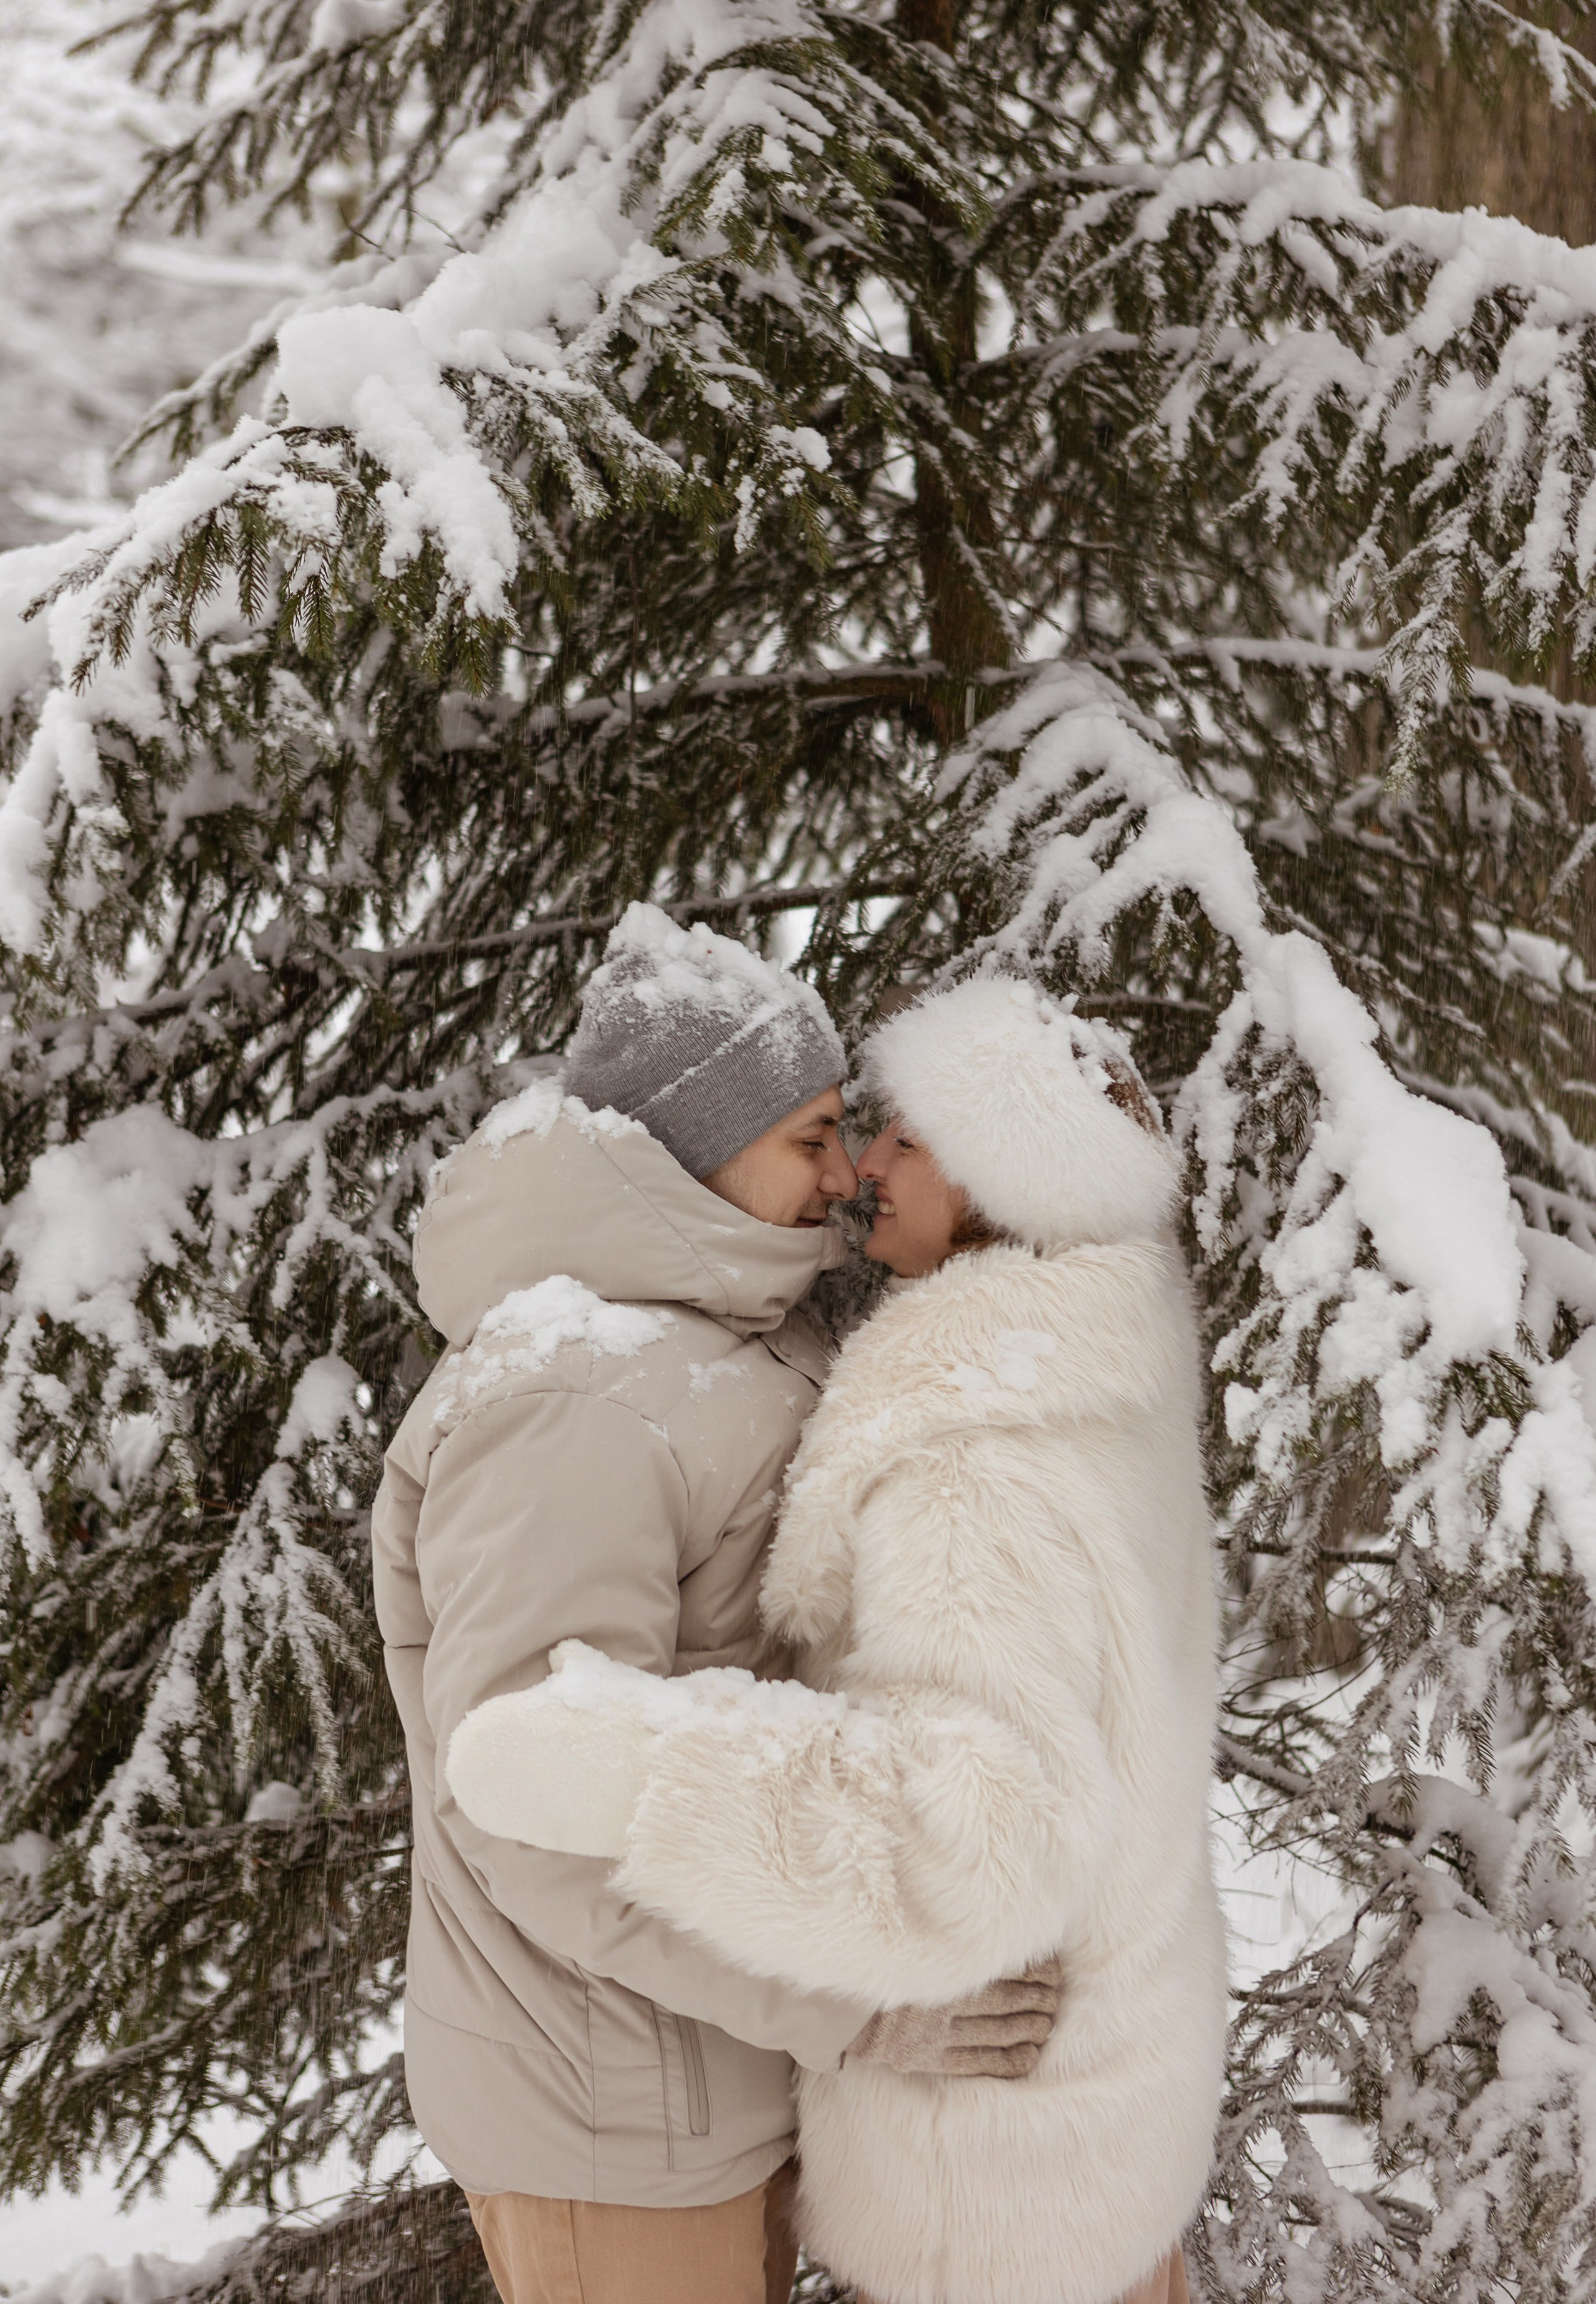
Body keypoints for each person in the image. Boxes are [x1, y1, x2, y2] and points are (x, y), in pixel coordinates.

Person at [448, 973, 1229, 2304]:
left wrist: (635, 1770)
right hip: (1083, 2114)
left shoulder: (975, 1461)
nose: (864, 1168)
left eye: (905, 1143)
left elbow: (971, 1836)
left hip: (999, 2168)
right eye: (845, 1134)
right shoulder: (1083, 1377)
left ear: (1006, 1186)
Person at [371, 912, 1057, 2304]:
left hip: (713, 2069)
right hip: (610, 2113)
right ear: (700, 1140)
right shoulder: (570, 1397)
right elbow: (536, 1808)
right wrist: (859, 2003)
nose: (839, 1179)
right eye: (809, 1138)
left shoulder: (726, 1331)